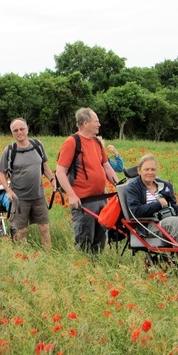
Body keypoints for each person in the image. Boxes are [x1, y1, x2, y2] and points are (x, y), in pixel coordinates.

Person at [55, 108, 119, 253]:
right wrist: (71, 195)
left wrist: (120, 186)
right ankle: (83, 269)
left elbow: (107, 167)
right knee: (84, 240)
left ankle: (95, 269)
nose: (99, 124)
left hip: (101, 199)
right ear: (85, 123)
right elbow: (60, 171)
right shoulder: (72, 142)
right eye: (96, 121)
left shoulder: (96, 142)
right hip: (84, 202)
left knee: (100, 240)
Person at [0, 118, 56, 249]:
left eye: (22, 129)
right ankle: (22, 257)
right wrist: (8, 190)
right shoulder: (9, 151)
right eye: (15, 130)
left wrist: (53, 180)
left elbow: (45, 167)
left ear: (27, 129)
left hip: (38, 196)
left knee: (44, 227)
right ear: (12, 133)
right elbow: (2, 173)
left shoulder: (37, 146)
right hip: (19, 198)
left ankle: (48, 255)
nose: (19, 132)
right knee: (21, 230)